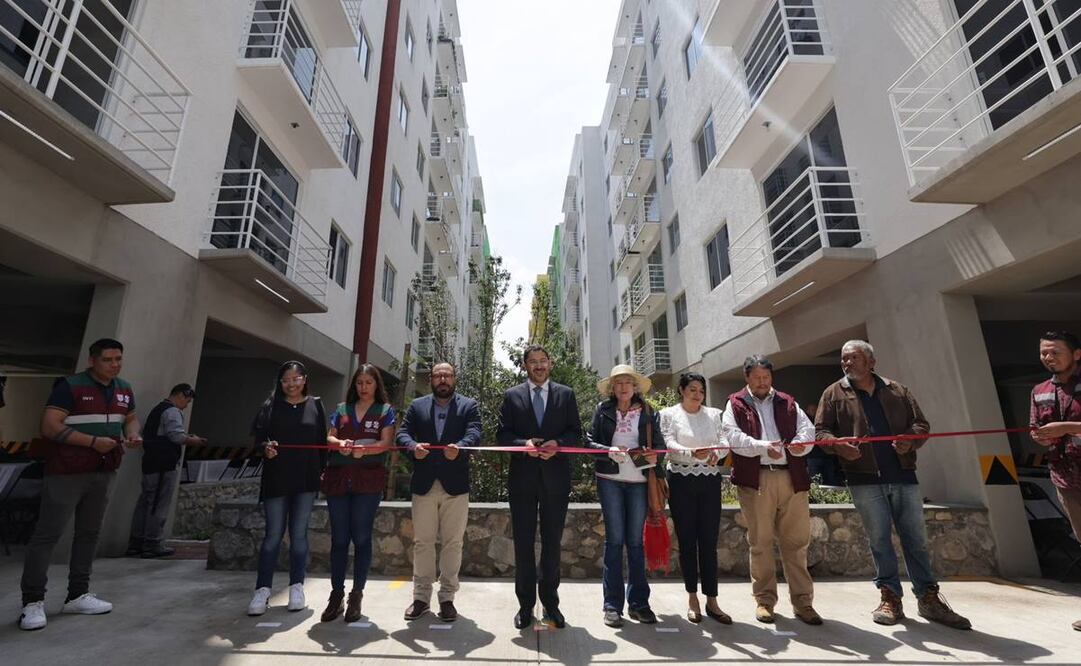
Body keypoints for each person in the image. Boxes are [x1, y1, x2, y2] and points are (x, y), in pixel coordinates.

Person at [816, 340, 970, 630]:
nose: (847, 363)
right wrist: (838, 447)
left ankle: (928, 598)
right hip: (863, 480)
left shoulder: (898, 390)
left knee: (916, 540)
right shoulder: (833, 393)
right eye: (843, 359)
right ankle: (890, 598)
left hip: (903, 476)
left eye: (854, 358)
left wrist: (910, 440)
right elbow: (821, 432)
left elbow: (920, 425)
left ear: (871, 362)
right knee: (879, 541)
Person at [19, 338, 142, 631]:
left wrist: (133, 434)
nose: (114, 365)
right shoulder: (71, 387)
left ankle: (78, 593)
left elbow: (131, 419)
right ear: (92, 360)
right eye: (108, 359)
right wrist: (91, 442)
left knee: (89, 533)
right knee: (48, 534)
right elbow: (50, 426)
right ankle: (32, 602)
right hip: (67, 471)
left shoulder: (124, 389)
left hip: (105, 470)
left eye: (118, 359)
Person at [722, 355, 821, 625]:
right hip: (757, 480)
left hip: (792, 478)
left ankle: (803, 603)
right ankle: (765, 601)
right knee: (761, 543)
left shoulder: (788, 402)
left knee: (797, 543)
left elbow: (807, 430)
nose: (762, 382)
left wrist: (802, 444)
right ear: (747, 378)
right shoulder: (735, 403)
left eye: (766, 377)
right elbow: (732, 437)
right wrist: (762, 445)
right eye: (757, 378)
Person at [497, 344, 583, 629]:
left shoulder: (566, 395)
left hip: (555, 481)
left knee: (551, 546)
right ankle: (525, 607)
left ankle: (551, 605)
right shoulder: (512, 396)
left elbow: (576, 433)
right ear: (525, 366)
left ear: (551, 363)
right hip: (522, 480)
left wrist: (558, 444)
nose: (539, 366)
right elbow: (502, 435)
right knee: (523, 544)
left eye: (543, 361)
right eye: (533, 362)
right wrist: (524, 445)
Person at [396, 362, 482, 623]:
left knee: (453, 543)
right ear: (432, 379)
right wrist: (412, 447)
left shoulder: (468, 406)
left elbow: (475, 432)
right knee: (422, 542)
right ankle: (421, 598)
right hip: (424, 484)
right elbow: (402, 434)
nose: (443, 379)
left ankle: (447, 598)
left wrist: (461, 446)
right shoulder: (417, 405)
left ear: (454, 378)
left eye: (447, 375)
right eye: (438, 375)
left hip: (455, 486)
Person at [585, 364, 664, 628]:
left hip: (640, 482)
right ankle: (612, 605)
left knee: (635, 543)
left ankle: (639, 603)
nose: (623, 387)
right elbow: (589, 442)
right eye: (618, 383)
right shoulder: (602, 410)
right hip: (610, 481)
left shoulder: (649, 412)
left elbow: (660, 446)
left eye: (627, 382)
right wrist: (608, 450)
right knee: (615, 541)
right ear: (612, 388)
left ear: (635, 387)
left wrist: (654, 456)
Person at [247, 361, 327, 617]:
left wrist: (321, 472)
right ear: (279, 383)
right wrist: (265, 450)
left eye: (296, 378)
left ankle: (296, 587)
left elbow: (321, 442)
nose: (291, 384)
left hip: (305, 480)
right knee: (272, 535)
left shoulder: (316, 405)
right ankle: (262, 590)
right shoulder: (270, 407)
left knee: (299, 535)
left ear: (304, 379)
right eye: (285, 380)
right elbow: (258, 441)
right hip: (276, 479)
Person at [319, 364, 396, 623]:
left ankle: (356, 595)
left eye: (368, 382)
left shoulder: (384, 411)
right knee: (339, 539)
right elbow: (329, 438)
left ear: (377, 385)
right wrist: (340, 444)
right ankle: (336, 594)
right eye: (360, 382)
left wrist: (369, 450)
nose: (363, 387)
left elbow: (386, 443)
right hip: (339, 479)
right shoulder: (342, 409)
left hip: (368, 481)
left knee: (361, 537)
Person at [659, 372, 730, 625]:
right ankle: (692, 598)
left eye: (701, 390)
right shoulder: (668, 414)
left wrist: (717, 454)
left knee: (709, 542)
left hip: (709, 481)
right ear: (681, 390)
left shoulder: (713, 414)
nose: (697, 394)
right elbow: (667, 443)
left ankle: (712, 599)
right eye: (692, 389)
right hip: (680, 480)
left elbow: (724, 441)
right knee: (687, 541)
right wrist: (691, 452)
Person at [1028, 330, 1081, 633]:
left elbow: (1064, 428)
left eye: (1055, 352)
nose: (1049, 357)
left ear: (1076, 354)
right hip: (1065, 476)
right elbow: (1035, 428)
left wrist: (1066, 427)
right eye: (1044, 352)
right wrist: (1039, 434)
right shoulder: (1039, 390)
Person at [126, 383, 206, 558]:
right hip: (163, 464)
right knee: (158, 504)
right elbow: (176, 436)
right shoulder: (172, 412)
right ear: (180, 395)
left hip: (151, 463)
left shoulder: (157, 410)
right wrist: (194, 440)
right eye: (187, 400)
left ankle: (137, 542)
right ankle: (152, 543)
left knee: (146, 502)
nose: (186, 405)